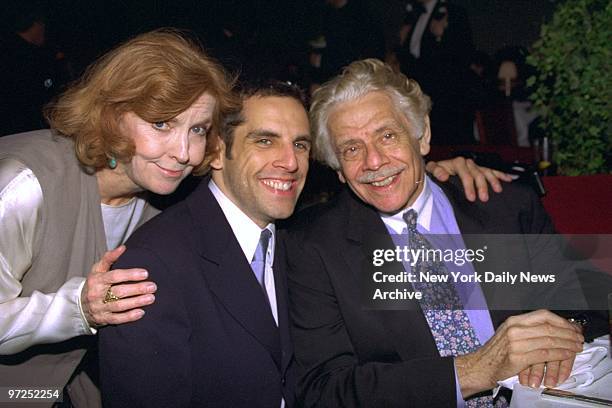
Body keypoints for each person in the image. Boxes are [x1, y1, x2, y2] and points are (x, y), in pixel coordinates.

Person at [286, 59, 606, 407]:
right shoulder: (313, 247)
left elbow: (589, 298)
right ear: (338, 171)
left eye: (387, 135)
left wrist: (563, 333)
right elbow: (324, 390)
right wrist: (470, 372)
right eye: (351, 149)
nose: (373, 161)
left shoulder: (503, 207)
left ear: (422, 135)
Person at [0, 29, 236, 407]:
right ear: (111, 116)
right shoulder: (24, 186)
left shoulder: (159, 196)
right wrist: (79, 306)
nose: (184, 152)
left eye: (198, 130)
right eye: (161, 124)